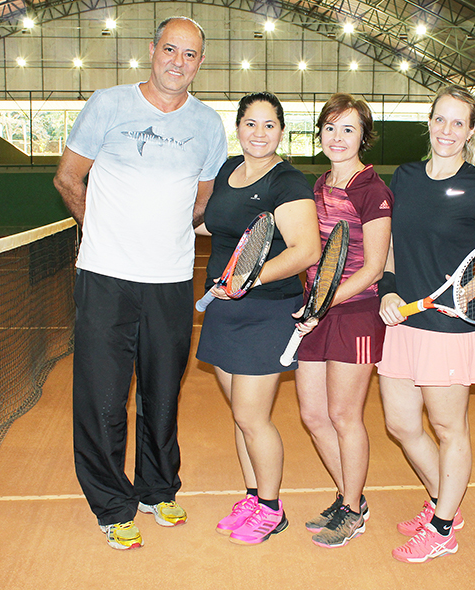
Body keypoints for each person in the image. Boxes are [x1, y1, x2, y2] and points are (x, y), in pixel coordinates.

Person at [53, 16, 228, 550]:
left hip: (171, 281)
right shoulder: (108, 105)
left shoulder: (209, 125)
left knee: (162, 392)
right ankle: (112, 504)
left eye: (190, 54)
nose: (178, 61)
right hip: (106, 277)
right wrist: (102, 232)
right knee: (103, 397)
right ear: (151, 50)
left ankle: (157, 489)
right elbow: (68, 178)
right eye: (170, 49)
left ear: (200, 63)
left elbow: (202, 202)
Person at [377, 85, 475, 563]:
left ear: (471, 131)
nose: (447, 130)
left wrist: (462, 298)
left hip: (448, 326)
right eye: (440, 120)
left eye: (458, 123)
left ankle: (443, 527)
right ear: (428, 123)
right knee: (401, 424)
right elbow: (391, 244)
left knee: (450, 429)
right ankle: (441, 503)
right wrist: (388, 287)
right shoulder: (405, 177)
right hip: (402, 321)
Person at [195, 92, 321, 545]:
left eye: (269, 125)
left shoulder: (288, 182)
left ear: (282, 131)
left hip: (266, 311)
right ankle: (252, 496)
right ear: (239, 127)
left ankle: (272, 507)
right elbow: (215, 223)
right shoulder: (229, 169)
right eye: (251, 123)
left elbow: (306, 250)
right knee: (240, 416)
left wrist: (248, 279)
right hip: (224, 309)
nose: (259, 133)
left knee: (253, 416)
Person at [294, 94, 393, 548]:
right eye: (331, 127)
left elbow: (374, 266)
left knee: (343, 414)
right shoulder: (316, 187)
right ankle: (350, 496)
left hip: (356, 313)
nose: (338, 137)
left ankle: (352, 508)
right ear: (319, 134)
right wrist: (309, 300)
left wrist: (324, 299)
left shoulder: (373, 191)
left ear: (364, 138)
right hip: (316, 312)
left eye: (348, 129)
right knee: (313, 414)